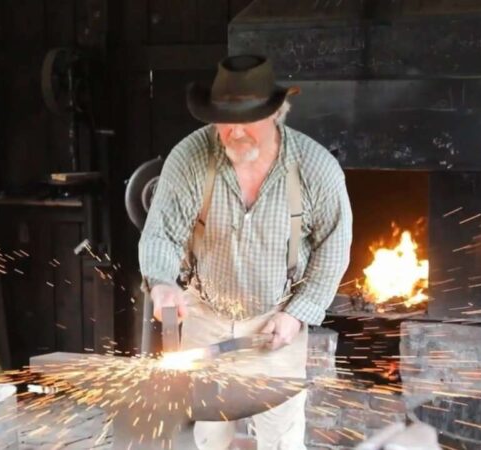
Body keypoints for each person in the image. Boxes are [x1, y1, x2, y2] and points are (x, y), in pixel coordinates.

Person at [138, 54, 352, 449]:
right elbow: (162, 234)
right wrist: (163, 283)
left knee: (282, 439)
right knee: (210, 435)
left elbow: (333, 249)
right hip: (205, 316)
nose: (235, 133)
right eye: (225, 120)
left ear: (276, 114)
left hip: (276, 321)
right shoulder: (190, 158)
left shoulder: (315, 168)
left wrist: (297, 314)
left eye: (247, 120)